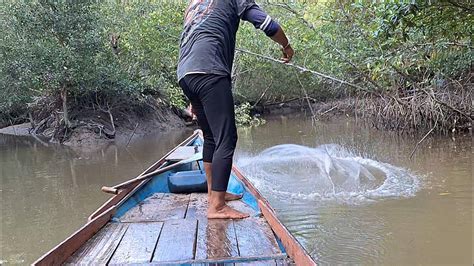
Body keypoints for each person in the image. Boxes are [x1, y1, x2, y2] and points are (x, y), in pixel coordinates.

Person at [177, 0, 294, 219]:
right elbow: (268, 25)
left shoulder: (195, 4)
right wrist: (286, 46)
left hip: (186, 72)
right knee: (226, 139)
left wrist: (194, 93)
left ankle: (215, 194)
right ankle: (217, 207)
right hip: (210, 70)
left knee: (211, 138)